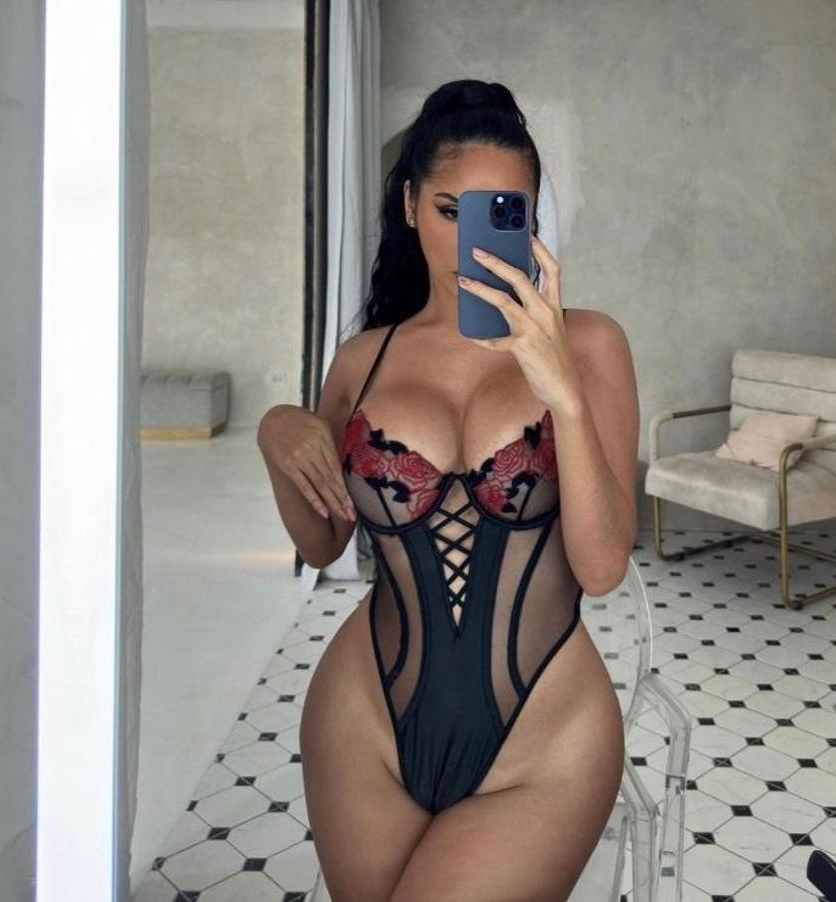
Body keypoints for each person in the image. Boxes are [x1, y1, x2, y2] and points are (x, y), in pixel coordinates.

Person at [257, 79, 639, 901]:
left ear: (529, 220)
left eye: (501, 213)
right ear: (407, 207)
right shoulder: (362, 360)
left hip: (544, 738)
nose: (473, 240)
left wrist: (562, 393)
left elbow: (603, 566)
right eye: (446, 210)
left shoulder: (591, 344)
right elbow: (321, 542)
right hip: (364, 722)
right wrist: (276, 432)